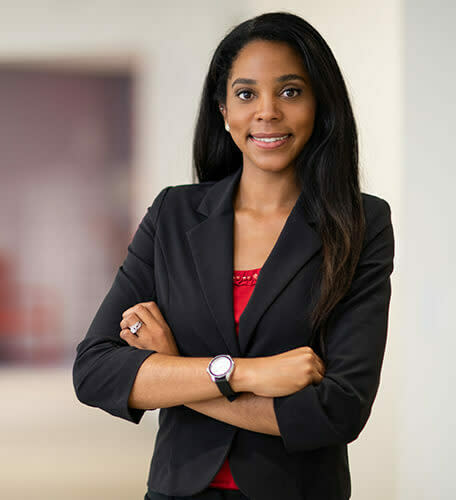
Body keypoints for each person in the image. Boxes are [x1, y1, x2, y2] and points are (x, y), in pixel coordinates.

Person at [72, 11, 395, 500]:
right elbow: (95, 370)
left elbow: (338, 411)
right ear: (223, 111)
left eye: (290, 91)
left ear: (320, 104)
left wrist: (175, 367)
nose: (267, 111)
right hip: (177, 490)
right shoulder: (174, 214)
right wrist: (244, 372)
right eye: (246, 94)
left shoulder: (360, 223)